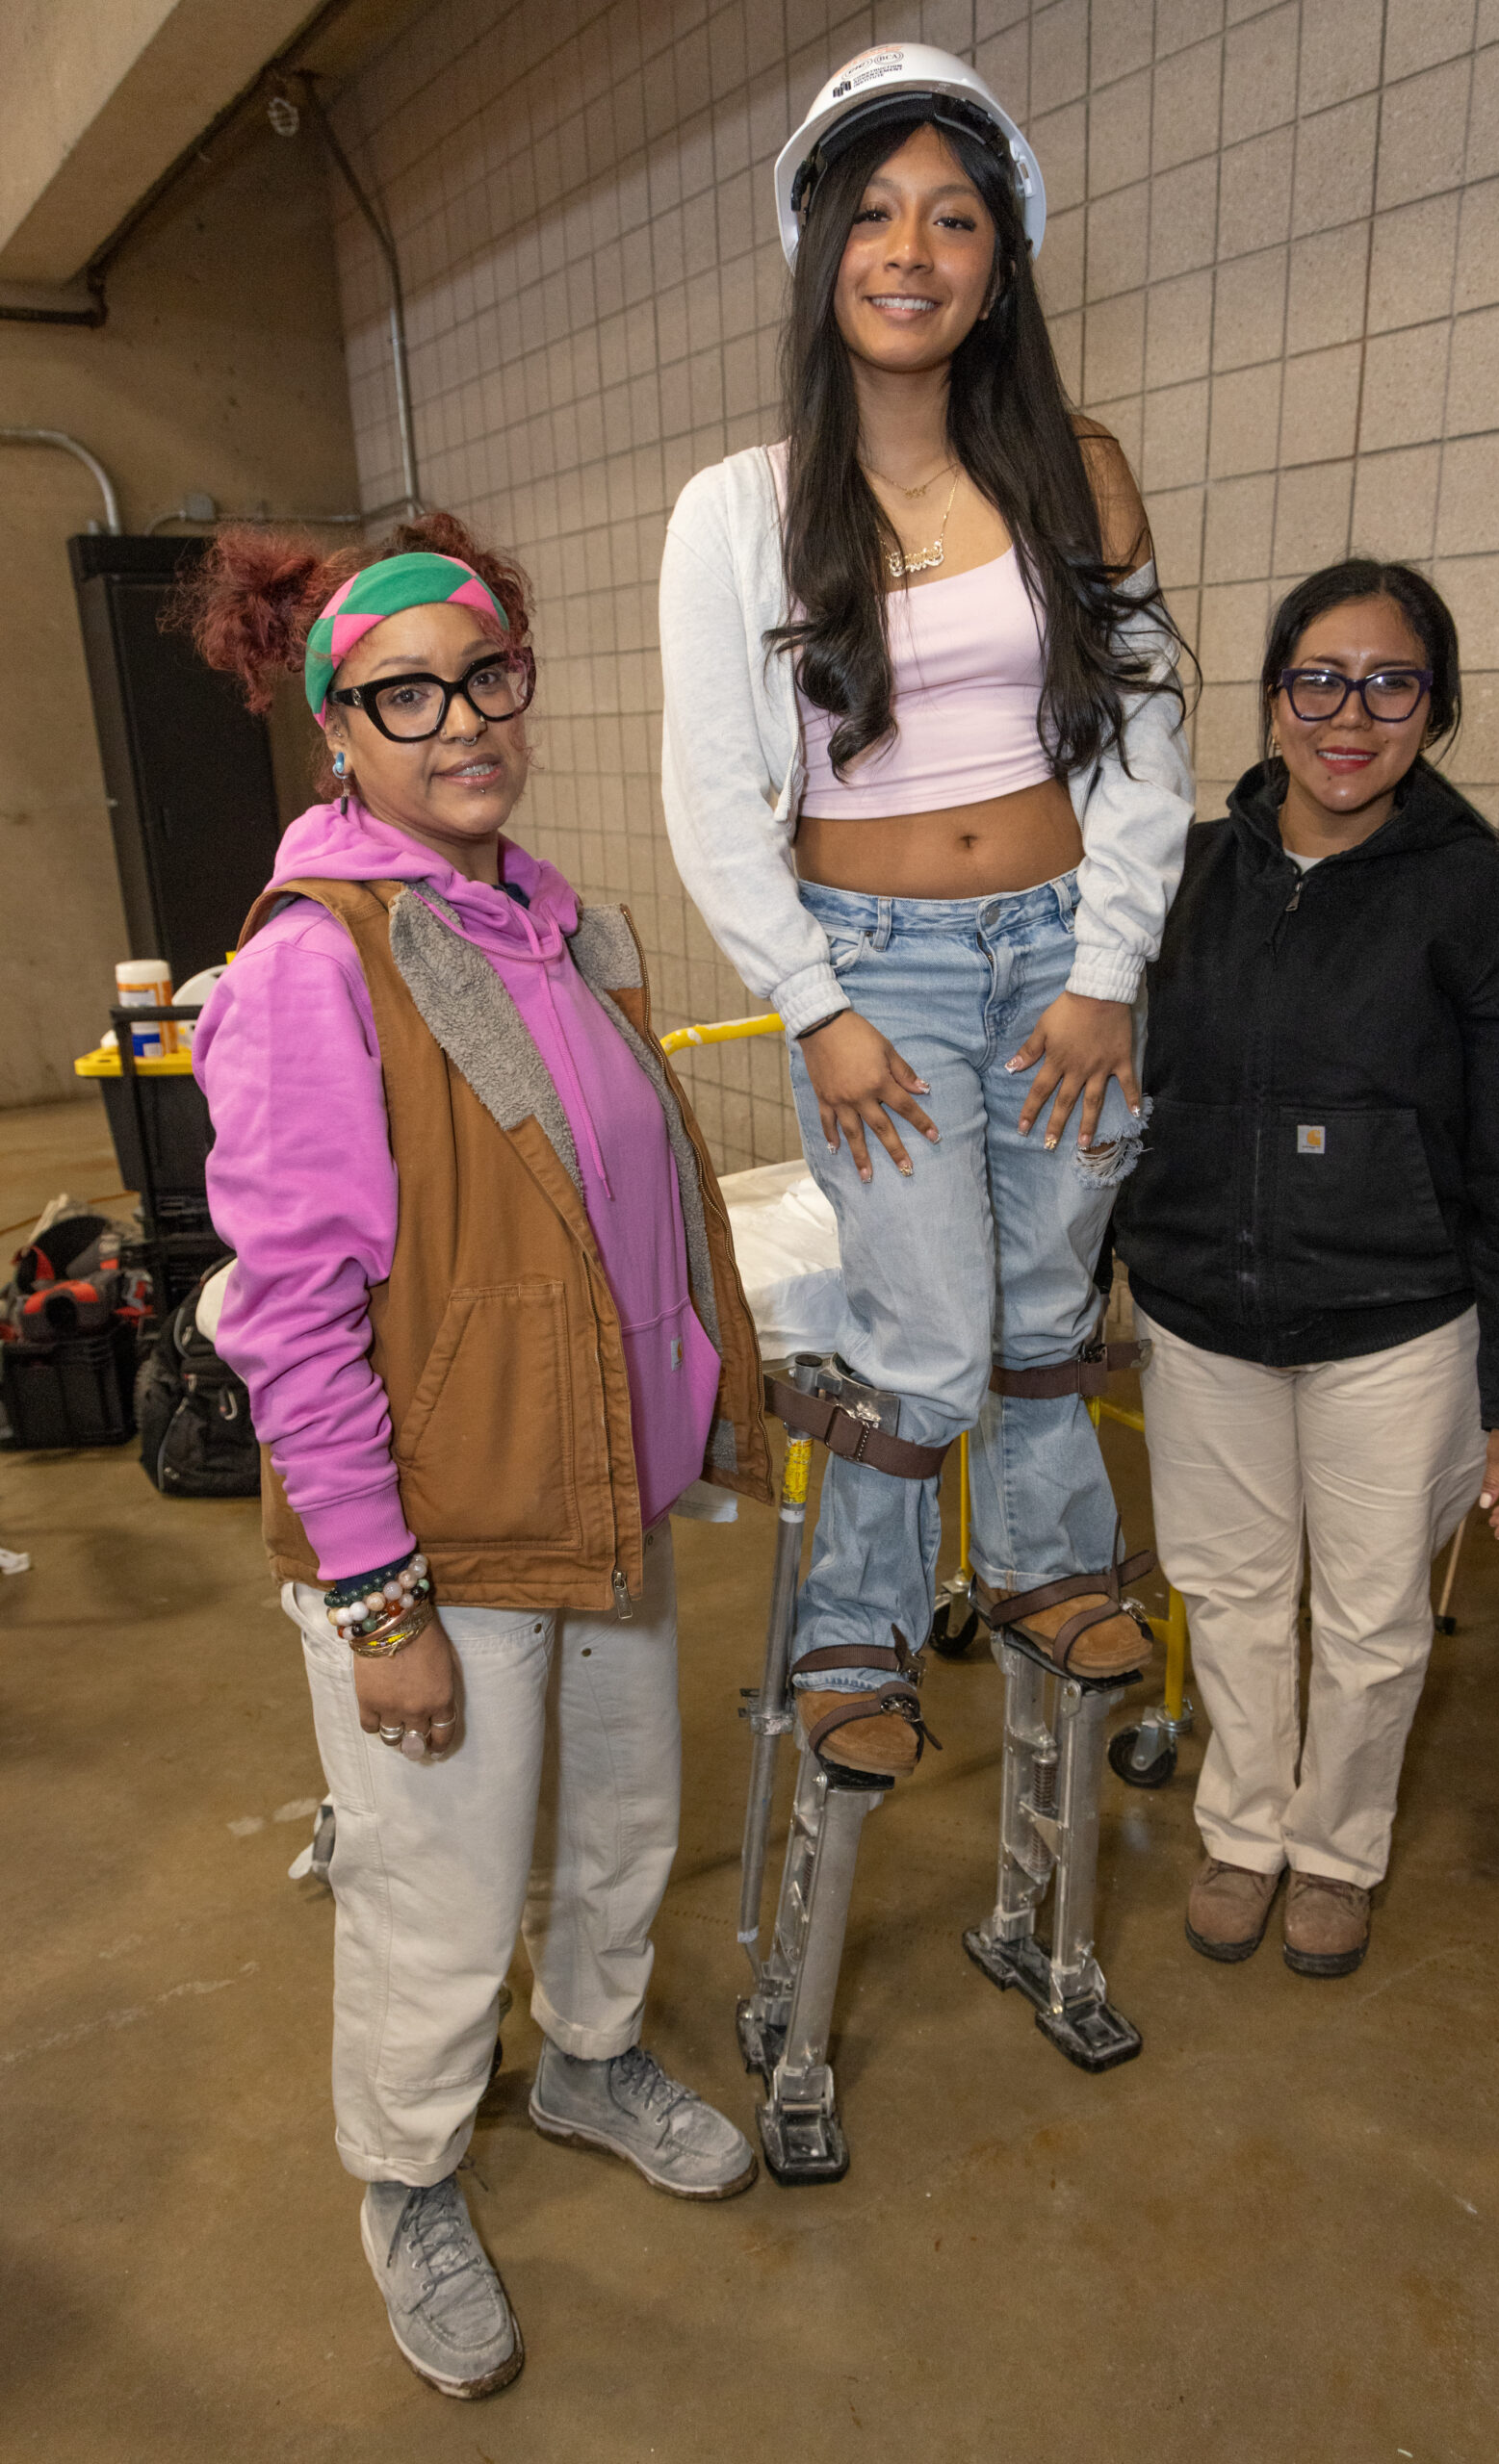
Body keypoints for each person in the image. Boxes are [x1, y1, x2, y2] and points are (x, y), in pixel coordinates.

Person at [187, 515, 771, 2399]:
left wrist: (712, 1400)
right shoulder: (314, 959)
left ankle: (591, 2058)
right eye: (405, 695)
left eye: (485, 674)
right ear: (335, 729)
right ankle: (411, 2176)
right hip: (435, 1534)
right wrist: (379, 1599)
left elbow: (622, 1213)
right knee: (432, 1889)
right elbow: (290, 1312)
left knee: (618, 1823)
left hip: (593, 1494)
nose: (461, 721)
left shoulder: (555, 920)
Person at [659, 45, 1194, 1774]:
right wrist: (814, 1007)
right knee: (926, 1326)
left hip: (1063, 948)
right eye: (876, 214)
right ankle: (858, 1628)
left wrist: (1108, 967)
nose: (911, 250)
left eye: (953, 219)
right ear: (820, 251)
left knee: (1045, 1298)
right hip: (875, 970)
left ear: (1000, 263)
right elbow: (712, 793)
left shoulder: (1076, 473)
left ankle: (1043, 1560)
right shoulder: (737, 511)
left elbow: (1145, 738)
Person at [1119, 559, 1499, 1978]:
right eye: (1319, 680)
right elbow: (1109, 1091)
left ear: (1432, 710)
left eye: (1391, 686)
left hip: (1396, 1329)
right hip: (1204, 1314)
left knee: (1374, 1617)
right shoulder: (1184, 877)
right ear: (1274, 699)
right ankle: (1242, 1832)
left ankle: (1336, 1852)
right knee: (1228, 1594)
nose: (1350, 716)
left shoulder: (1482, 900)